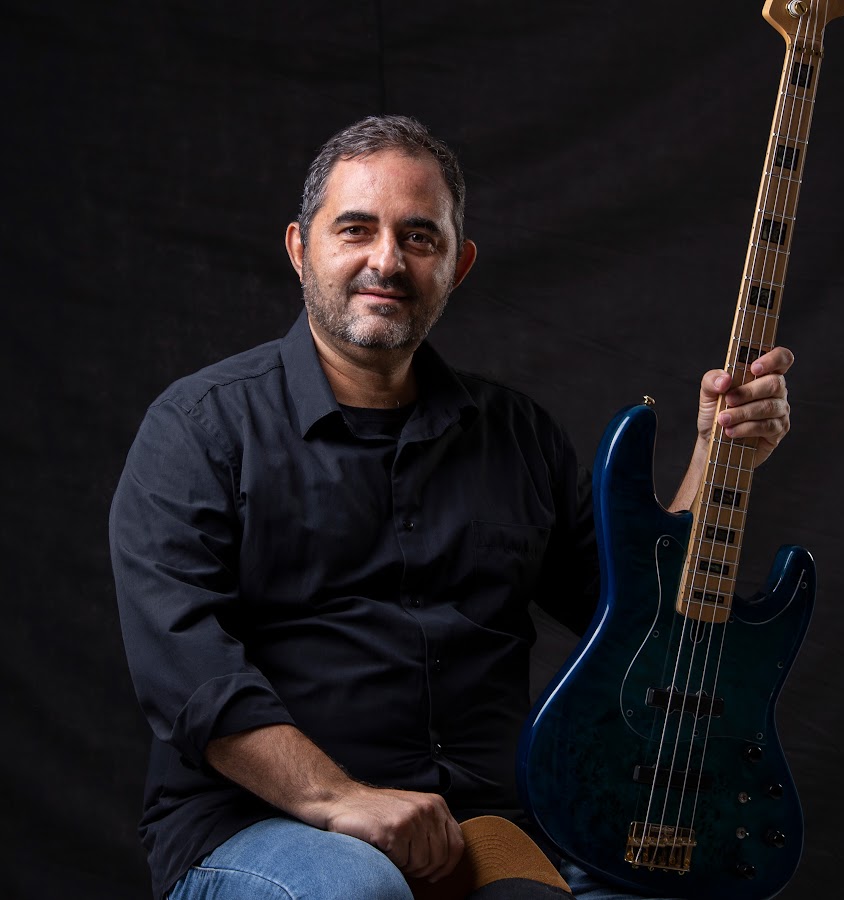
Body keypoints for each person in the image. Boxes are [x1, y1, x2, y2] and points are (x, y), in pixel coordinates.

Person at [110, 115, 793, 900]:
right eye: (356, 230)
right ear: (300, 249)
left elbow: (645, 633)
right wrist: (341, 799)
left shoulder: (518, 436)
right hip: (261, 824)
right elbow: (188, 674)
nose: (387, 260)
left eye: (419, 237)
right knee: (358, 888)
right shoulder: (200, 428)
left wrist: (718, 452)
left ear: (458, 264)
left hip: (483, 830)